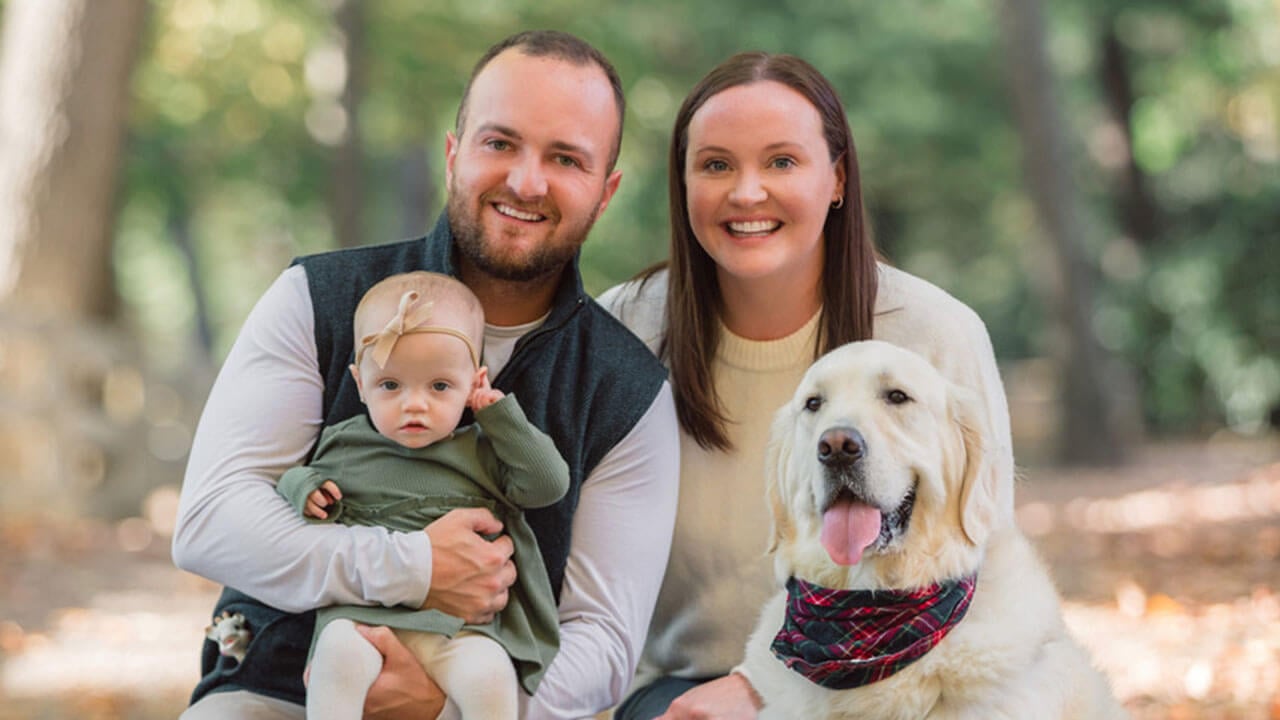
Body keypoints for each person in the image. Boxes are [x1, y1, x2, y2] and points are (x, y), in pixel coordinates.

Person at [172, 29, 680, 720]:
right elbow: (211, 521)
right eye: (499, 143)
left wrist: (441, 705)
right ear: (453, 155)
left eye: (565, 158)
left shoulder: (627, 390)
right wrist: (413, 567)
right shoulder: (318, 297)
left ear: (605, 191)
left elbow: (606, 643)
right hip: (281, 691)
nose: (526, 181)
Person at [598, 51, 1016, 719]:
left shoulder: (936, 334)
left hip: (894, 687)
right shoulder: (624, 328)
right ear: (682, 185)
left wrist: (765, 685)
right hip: (681, 697)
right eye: (715, 165)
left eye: (781, 162)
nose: (746, 192)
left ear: (838, 178)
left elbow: (986, 566)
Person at [278, 271, 570, 720]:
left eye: (439, 387)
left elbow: (549, 485)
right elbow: (295, 478)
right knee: (335, 660)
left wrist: (499, 416)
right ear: (359, 383)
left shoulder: (483, 452)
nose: (414, 404)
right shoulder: (345, 444)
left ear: (474, 381)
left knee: (491, 676)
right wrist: (304, 489)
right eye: (390, 385)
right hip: (363, 620)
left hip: (459, 630)